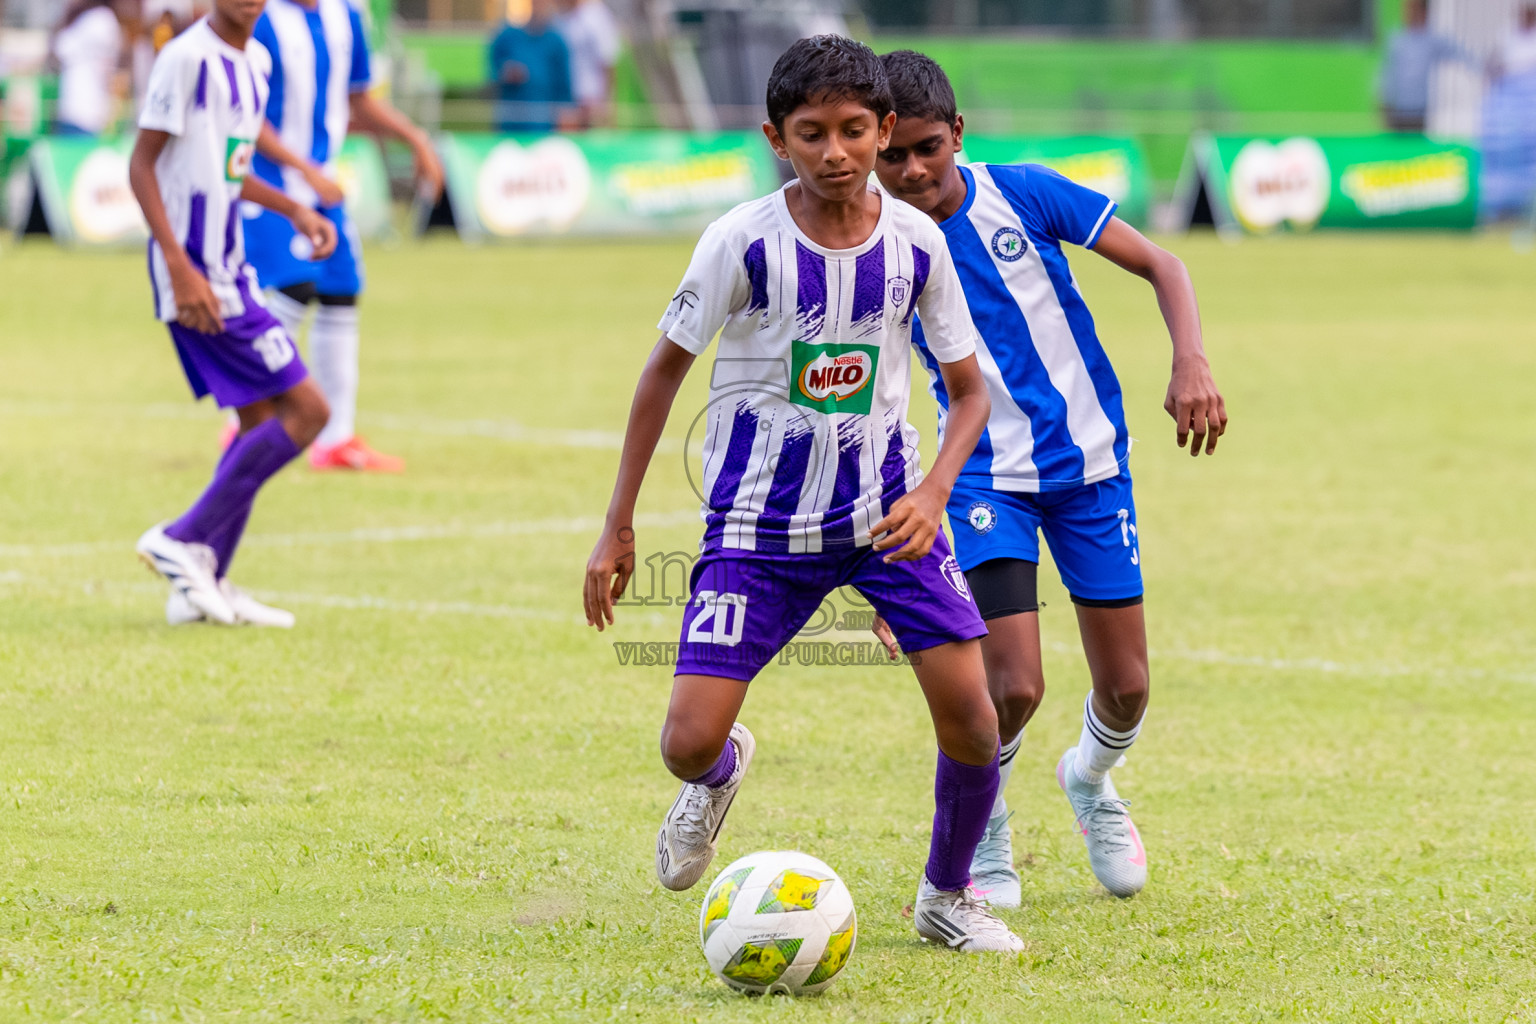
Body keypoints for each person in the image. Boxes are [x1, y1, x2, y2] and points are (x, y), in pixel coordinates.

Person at [583, 35, 1023, 953]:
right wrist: (617, 525)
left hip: (886, 521)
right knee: (686, 743)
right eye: (812, 133)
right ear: (775, 138)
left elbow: (971, 390)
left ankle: (948, 895)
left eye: (855, 131)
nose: (836, 152)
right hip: (756, 528)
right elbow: (662, 374)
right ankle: (716, 780)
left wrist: (935, 491)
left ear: (884, 128)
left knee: (975, 718)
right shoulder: (739, 240)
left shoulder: (915, 243)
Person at [872, 50, 1227, 906]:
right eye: (896, 155)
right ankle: (985, 832)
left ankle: (1091, 782)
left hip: (1093, 469)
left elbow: (1164, 265)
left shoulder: (1023, 193)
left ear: (957, 134)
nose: (914, 170)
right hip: (985, 478)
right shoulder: (882, 242)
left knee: (1129, 685)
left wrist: (1190, 361)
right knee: (1013, 686)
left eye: (928, 147)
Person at [128, 0, 339, 628]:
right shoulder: (185, 57)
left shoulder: (257, 60)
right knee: (308, 411)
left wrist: (293, 209)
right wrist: (177, 262)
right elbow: (141, 165)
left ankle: (204, 581)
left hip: (230, 266)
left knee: (257, 422)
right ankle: (180, 538)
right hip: (196, 272)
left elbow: (230, 169)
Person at [241, 0, 444, 472]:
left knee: (341, 293)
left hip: (323, 184)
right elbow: (246, 116)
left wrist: (415, 138)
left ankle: (335, 440)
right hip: (270, 185)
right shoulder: (262, 16)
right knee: (292, 288)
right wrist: (303, 170)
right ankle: (247, 416)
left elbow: (359, 99)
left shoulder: (346, 16)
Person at [1378, 0, 1462, 132]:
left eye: (1414, 9)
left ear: (1424, 12)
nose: (1410, 13)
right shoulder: (1396, 38)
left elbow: (1458, 53)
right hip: (1396, 109)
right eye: (1408, 9)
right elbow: (1385, 72)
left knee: (1416, 147)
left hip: (1419, 111)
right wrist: (1382, 99)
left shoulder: (1431, 39)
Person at [488, 0, 572, 133]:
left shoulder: (557, 42)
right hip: (510, 123)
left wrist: (564, 121)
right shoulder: (507, 37)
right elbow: (492, 74)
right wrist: (506, 73)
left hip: (544, 126)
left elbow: (564, 90)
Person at [51, 0, 125, 136]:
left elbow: (106, 67)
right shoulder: (83, 18)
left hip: (89, 112)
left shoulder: (101, 20)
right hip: (71, 109)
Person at [555, 0, 619, 128]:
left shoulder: (596, 14)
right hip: (565, 100)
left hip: (591, 100)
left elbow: (607, 61)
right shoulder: (559, 17)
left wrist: (606, 102)